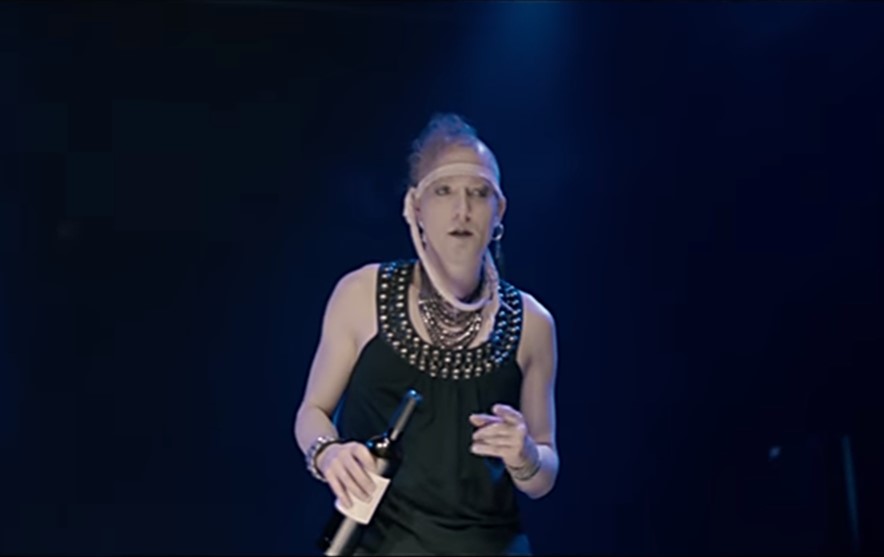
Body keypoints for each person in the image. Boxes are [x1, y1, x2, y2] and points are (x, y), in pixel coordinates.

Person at [294, 113, 559, 555]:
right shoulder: (360, 295)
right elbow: (312, 411)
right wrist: (328, 453)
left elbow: (544, 474)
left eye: (478, 193)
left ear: (499, 212)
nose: (462, 211)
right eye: (444, 191)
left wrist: (527, 455)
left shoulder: (533, 323)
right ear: (415, 207)